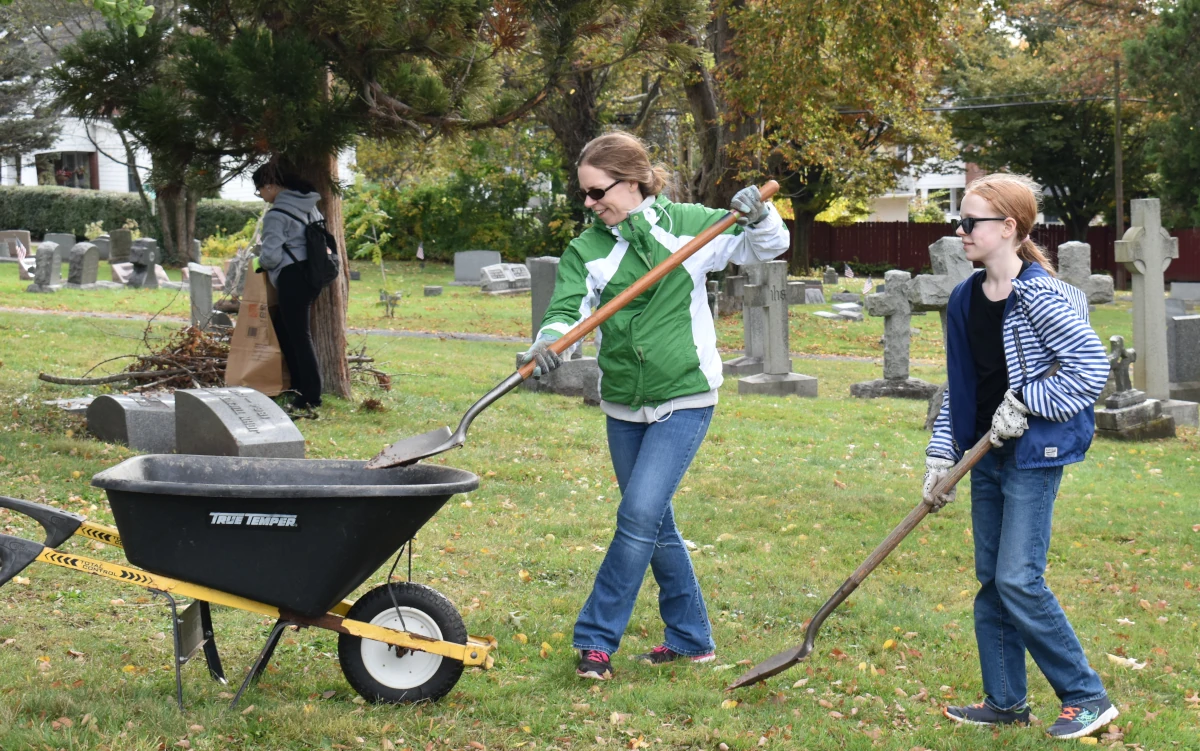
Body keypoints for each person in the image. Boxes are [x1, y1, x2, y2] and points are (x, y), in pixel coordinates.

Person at [520, 132, 790, 681]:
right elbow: (566, 312)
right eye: (586, 196)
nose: (591, 205)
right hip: (622, 403)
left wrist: (757, 216)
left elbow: (768, 248)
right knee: (654, 520)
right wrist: (547, 343)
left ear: (633, 179)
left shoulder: (693, 225)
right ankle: (691, 639)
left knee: (639, 514)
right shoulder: (587, 249)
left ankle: (596, 640)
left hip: (684, 397)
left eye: (598, 193)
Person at [922, 174, 1116, 740]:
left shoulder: (1042, 295)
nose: (960, 231)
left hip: (1034, 450)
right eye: (959, 220)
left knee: (1019, 578)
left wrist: (1028, 402)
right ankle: (1005, 702)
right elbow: (962, 385)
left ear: (1008, 228)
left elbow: (1089, 369)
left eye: (970, 222)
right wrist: (942, 458)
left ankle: (1086, 695)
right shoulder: (965, 296)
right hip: (986, 454)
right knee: (993, 579)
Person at [253, 164, 324, 416]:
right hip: (315, 274)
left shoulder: (276, 214)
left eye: (259, 189)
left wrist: (258, 262)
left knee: (298, 336)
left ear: (270, 186)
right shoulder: (309, 205)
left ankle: (310, 396)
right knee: (286, 329)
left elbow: (270, 256)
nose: (261, 195)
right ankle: (296, 386)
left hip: (293, 276)